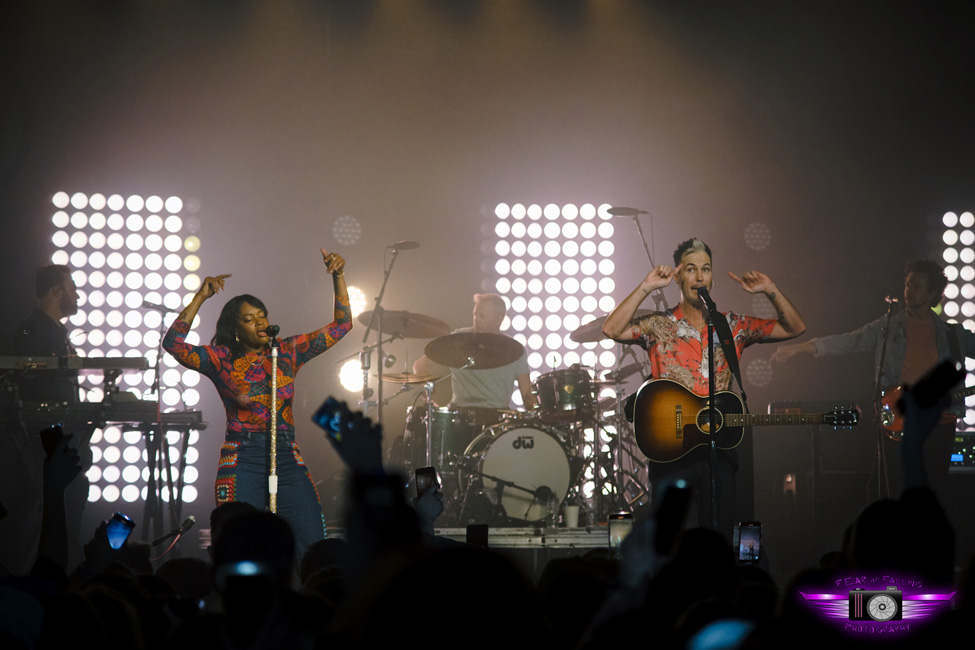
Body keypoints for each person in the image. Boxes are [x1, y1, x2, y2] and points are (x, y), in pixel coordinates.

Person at [601, 238, 805, 538]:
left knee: (717, 541)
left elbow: (794, 327)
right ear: (679, 276)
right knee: (669, 542)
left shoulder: (732, 325)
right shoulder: (659, 324)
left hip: (717, 451)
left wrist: (769, 289)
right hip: (669, 449)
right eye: (692, 269)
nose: (699, 277)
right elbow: (612, 329)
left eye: (706, 270)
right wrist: (646, 287)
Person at [162, 249, 352, 560]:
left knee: (313, 545)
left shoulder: (288, 351)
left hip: (287, 455)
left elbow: (343, 325)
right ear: (235, 331)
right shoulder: (220, 358)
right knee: (239, 544)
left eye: (262, 315)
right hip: (242, 457)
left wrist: (338, 275)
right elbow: (173, 344)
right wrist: (200, 297)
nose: (260, 322)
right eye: (249, 319)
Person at [771, 258, 975, 498]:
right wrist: (800, 348)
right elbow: (848, 341)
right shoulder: (888, 327)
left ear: (933, 293)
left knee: (933, 492)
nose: (909, 291)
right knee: (891, 490)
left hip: (939, 424)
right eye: (908, 285)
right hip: (898, 419)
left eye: (917, 286)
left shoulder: (953, 335)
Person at [1, 264, 90, 572]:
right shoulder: (31, 331)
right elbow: (32, 384)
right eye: (72, 288)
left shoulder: (56, 334)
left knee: (38, 498)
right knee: (43, 498)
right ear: (56, 291)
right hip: (41, 435)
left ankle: (32, 568)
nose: (77, 295)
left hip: (55, 433)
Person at [413, 293, 537, 415]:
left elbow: (527, 394)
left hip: (497, 416)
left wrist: (538, 415)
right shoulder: (458, 339)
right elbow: (420, 365)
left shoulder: (514, 349)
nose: (476, 319)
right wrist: (428, 394)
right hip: (460, 414)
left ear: (499, 319)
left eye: (482, 316)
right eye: (475, 314)